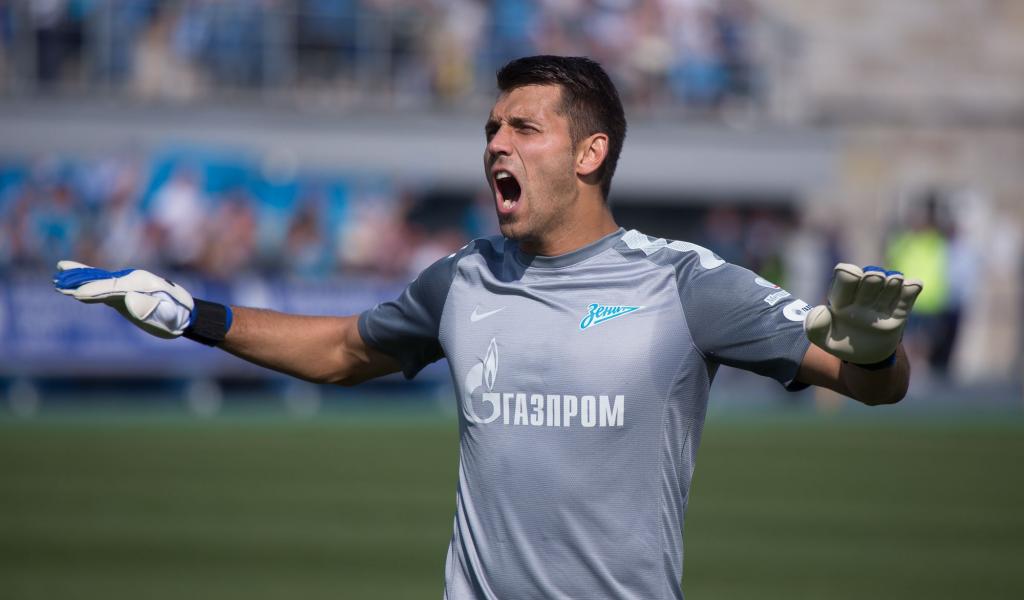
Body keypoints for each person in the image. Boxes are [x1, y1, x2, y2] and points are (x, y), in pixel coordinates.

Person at [54, 56, 922, 600]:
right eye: (491, 129)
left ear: (590, 154)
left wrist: (876, 353)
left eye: (523, 128)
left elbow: (872, 386)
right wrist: (191, 315)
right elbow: (341, 351)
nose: (496, 144)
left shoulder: (685, 281)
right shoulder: (462, 277)